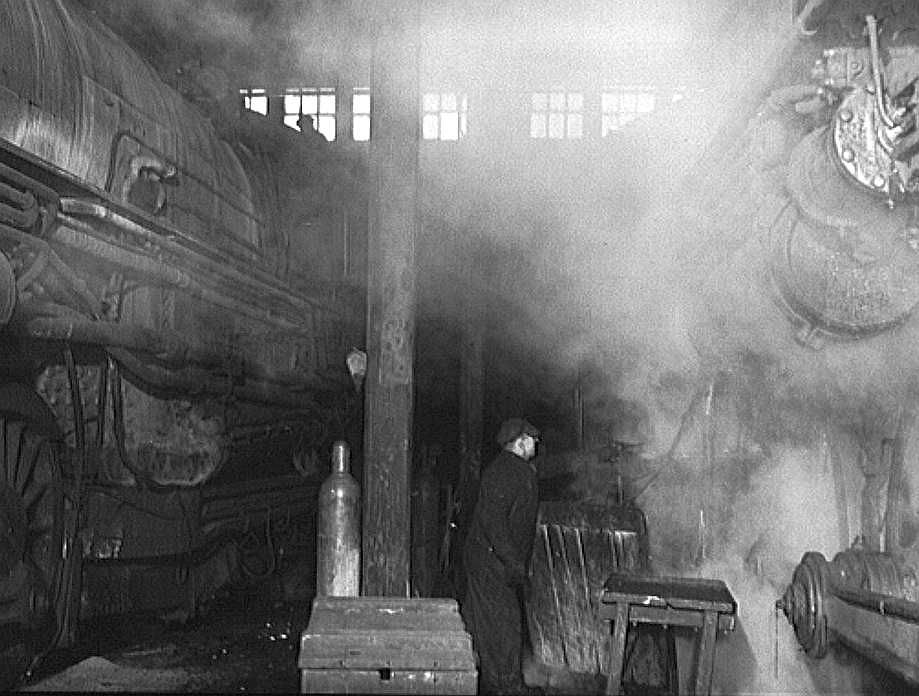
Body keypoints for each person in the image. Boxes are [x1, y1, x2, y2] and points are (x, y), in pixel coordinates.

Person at [462, 417, 540, 695]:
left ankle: (476, 679)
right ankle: (506, 685)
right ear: (520, 441)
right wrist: (513, 562)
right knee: (504, 622)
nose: (536, 444)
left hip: (493, 559)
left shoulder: (516, 470)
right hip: (490, 560)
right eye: (533, 440)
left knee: (481, 622)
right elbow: (493, 521)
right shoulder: (504, 473)